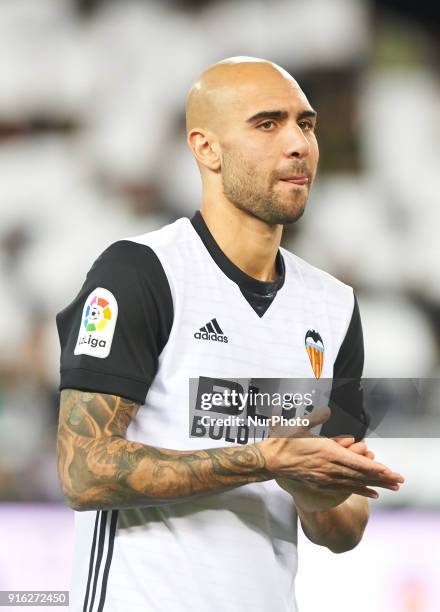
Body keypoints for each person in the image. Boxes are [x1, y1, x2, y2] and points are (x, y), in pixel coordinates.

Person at [56, 57, 404, 612]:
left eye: (306, 124)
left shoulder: (333, 305)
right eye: (267, 124)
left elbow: (344, 529)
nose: (298, 144)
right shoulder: (142, 272)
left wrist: (314, 488)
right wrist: (263, 459)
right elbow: (83, 472)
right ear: (206, 149)